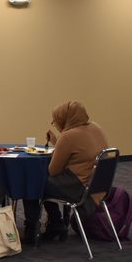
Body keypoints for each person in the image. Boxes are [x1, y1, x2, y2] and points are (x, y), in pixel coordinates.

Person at [24, 100, 108, 243]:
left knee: (32, 184)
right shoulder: (95, 127)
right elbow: (77, 152)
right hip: (97, 186)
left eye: (55, 120)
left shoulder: (68, 135)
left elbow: (53, 170)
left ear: (64, 118)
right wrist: (58, 142)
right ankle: (56, 223)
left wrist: (60, 142)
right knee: (45, 184)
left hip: (78, 187)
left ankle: (42, 228)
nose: (55, 124)